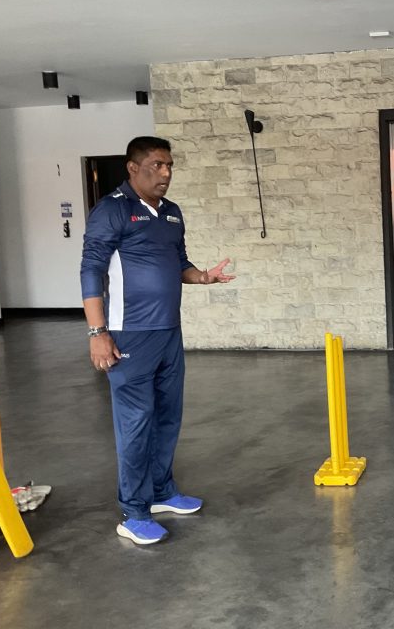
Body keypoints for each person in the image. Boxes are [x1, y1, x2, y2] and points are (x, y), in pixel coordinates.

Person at [80, 136, 235, 546]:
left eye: (169, 166)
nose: (165, 173)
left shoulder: (171, 213)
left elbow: (179, 262)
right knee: (136, 422)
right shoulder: (112, 209)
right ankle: (133, 512)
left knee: (168, 415)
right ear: (133, 168)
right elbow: (91, 270)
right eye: (157, 165)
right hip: (129, 332)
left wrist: (203, 276)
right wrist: (97, 333)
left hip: (168, 331)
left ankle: (163, 491)